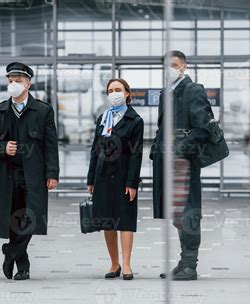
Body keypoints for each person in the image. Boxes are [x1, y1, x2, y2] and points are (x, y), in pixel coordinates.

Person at [0, 62, 59, 281]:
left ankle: (11, 251)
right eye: (10, 81)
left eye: (18, 81)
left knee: (32, 217)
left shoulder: (43, 110)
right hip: (9, 174)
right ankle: (23, 266)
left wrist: (53, 173)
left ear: (28, 83)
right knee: (13, 218)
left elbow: (50, 144)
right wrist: (2, 148)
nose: (13, 85)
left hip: (34, 174)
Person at [150, 50, 213, 281]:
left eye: (174, 65)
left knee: (188, 211)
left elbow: (203, 128)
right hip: (166, 160)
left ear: (184, 66)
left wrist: (179, 149)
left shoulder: (193, 90)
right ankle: (184, 262)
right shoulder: (166, 93)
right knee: (177, 213)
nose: (170, 69)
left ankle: (190, 265)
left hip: (183, 161)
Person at [87, 78, 144, 280]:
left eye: (118, 89)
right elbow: (95, 149)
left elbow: (137, 154)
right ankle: (114, 264)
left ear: (127, 93)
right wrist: (91, 179)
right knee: (107, 222)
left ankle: (127, 265)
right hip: (102, 177)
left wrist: (132, 183)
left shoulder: (135, 120)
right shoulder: (104, 118)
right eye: (110, 90)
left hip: (123, 177)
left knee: (125, 221)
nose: (114, 93)